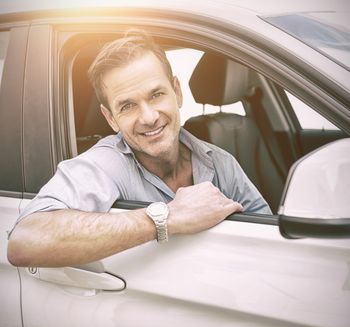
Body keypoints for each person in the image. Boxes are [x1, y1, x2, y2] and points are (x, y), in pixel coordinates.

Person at [8, 29, 271, 268]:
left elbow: (271, 247)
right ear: (111, 118)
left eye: (156, 95)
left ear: (177, 92)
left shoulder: (220, 163)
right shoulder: (104, 164)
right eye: (127, 106)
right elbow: (24, 240)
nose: (148, 117)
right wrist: (165, 218)